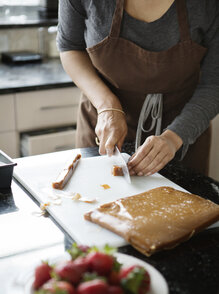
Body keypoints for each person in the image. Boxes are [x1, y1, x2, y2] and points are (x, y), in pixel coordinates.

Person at [57, 0, 219, 176]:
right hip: (104, 125)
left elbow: (214, 83)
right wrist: (107, 106)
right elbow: (70, 48)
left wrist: (173, 138)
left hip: (183, 127)